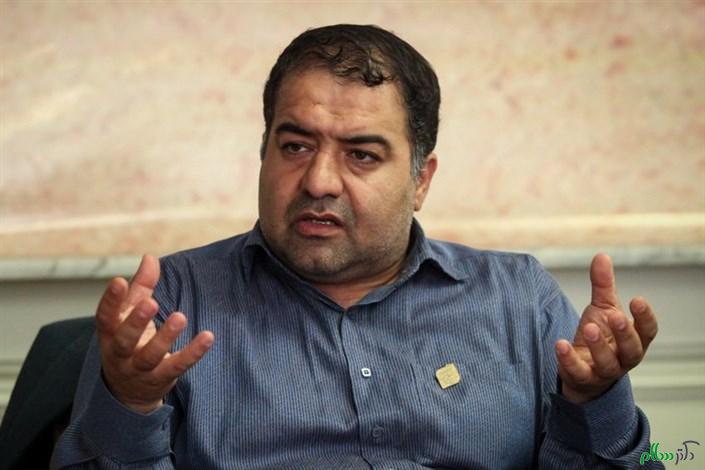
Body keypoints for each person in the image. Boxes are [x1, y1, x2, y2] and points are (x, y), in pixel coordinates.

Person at [51, 24, 663, 469]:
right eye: (295, 146)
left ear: (420, 180)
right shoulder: (172, 303)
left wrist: (593, 401)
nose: (318, 181)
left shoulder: (518, 299)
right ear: (263, 153)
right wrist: (130, 404)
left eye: (362, 155)